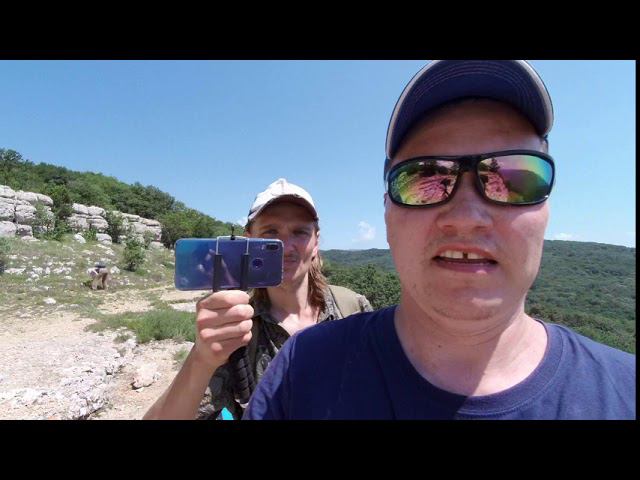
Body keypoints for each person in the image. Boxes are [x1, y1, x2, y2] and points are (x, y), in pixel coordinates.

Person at [241, 60, 635, 419]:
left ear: (546, 209)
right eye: (425, 178)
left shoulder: (625, 394)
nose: (466, 218)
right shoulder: (301, 369)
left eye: (512, 178)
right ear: (387, 213)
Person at [143, 178, 373, 419]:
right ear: (249, 240)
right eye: (270, 232)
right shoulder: (236, 326)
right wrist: (201, 359)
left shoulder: (354, 309)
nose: (286, 247)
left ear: (315, 242)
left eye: (300, 232)